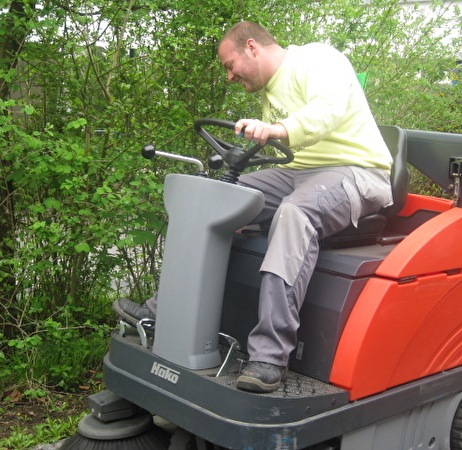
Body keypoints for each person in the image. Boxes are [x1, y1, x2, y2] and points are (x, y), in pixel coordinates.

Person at [114, 21, 393, 393]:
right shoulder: (269, 87)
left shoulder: (318, 59)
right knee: (215, 198)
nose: (229, 76)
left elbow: (327, 112)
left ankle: (270, 357)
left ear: (252, 47)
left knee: (293, 214)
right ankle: (161, 311)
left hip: (358, 173)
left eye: (230, 65)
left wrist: (277, 128)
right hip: (300, 172)